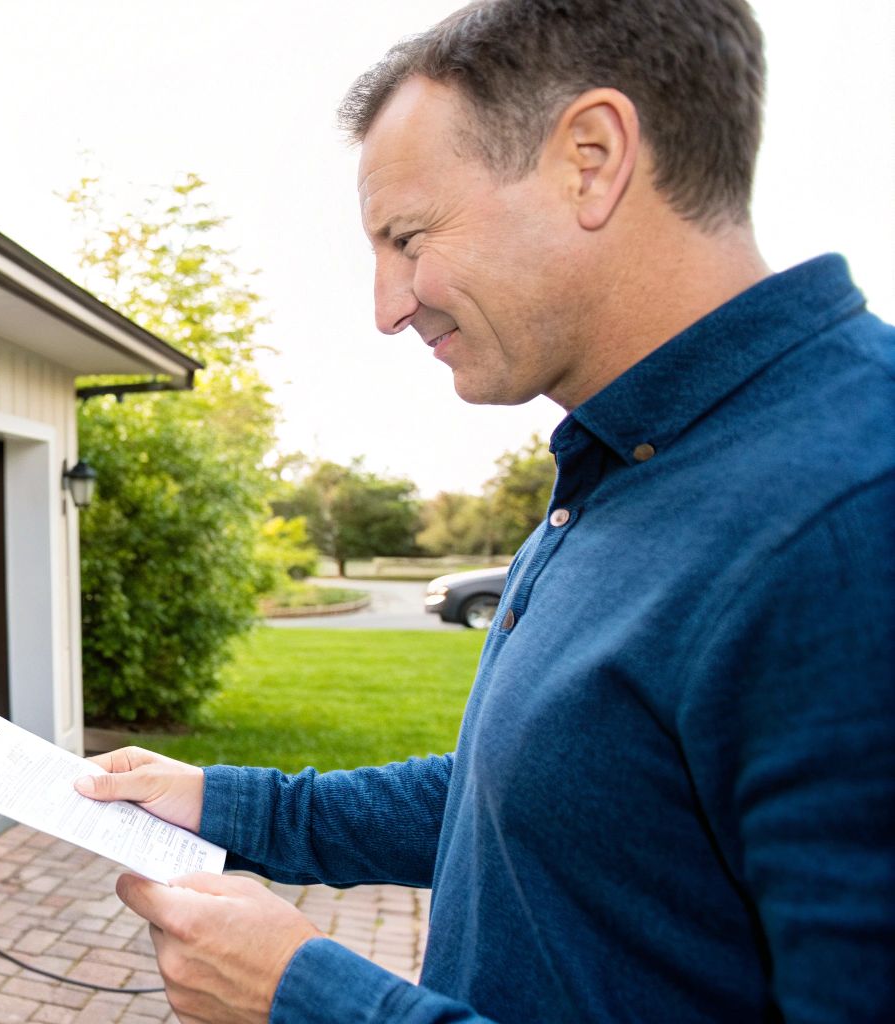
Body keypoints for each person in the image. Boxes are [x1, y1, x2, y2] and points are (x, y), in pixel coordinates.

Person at [74, 1, 895, 1021]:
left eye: (407, 237)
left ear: (591, 159)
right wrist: (227, 804)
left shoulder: (853, 515)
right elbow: (538, 795)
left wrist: (308, 998)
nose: (386, 307)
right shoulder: (626, 461)